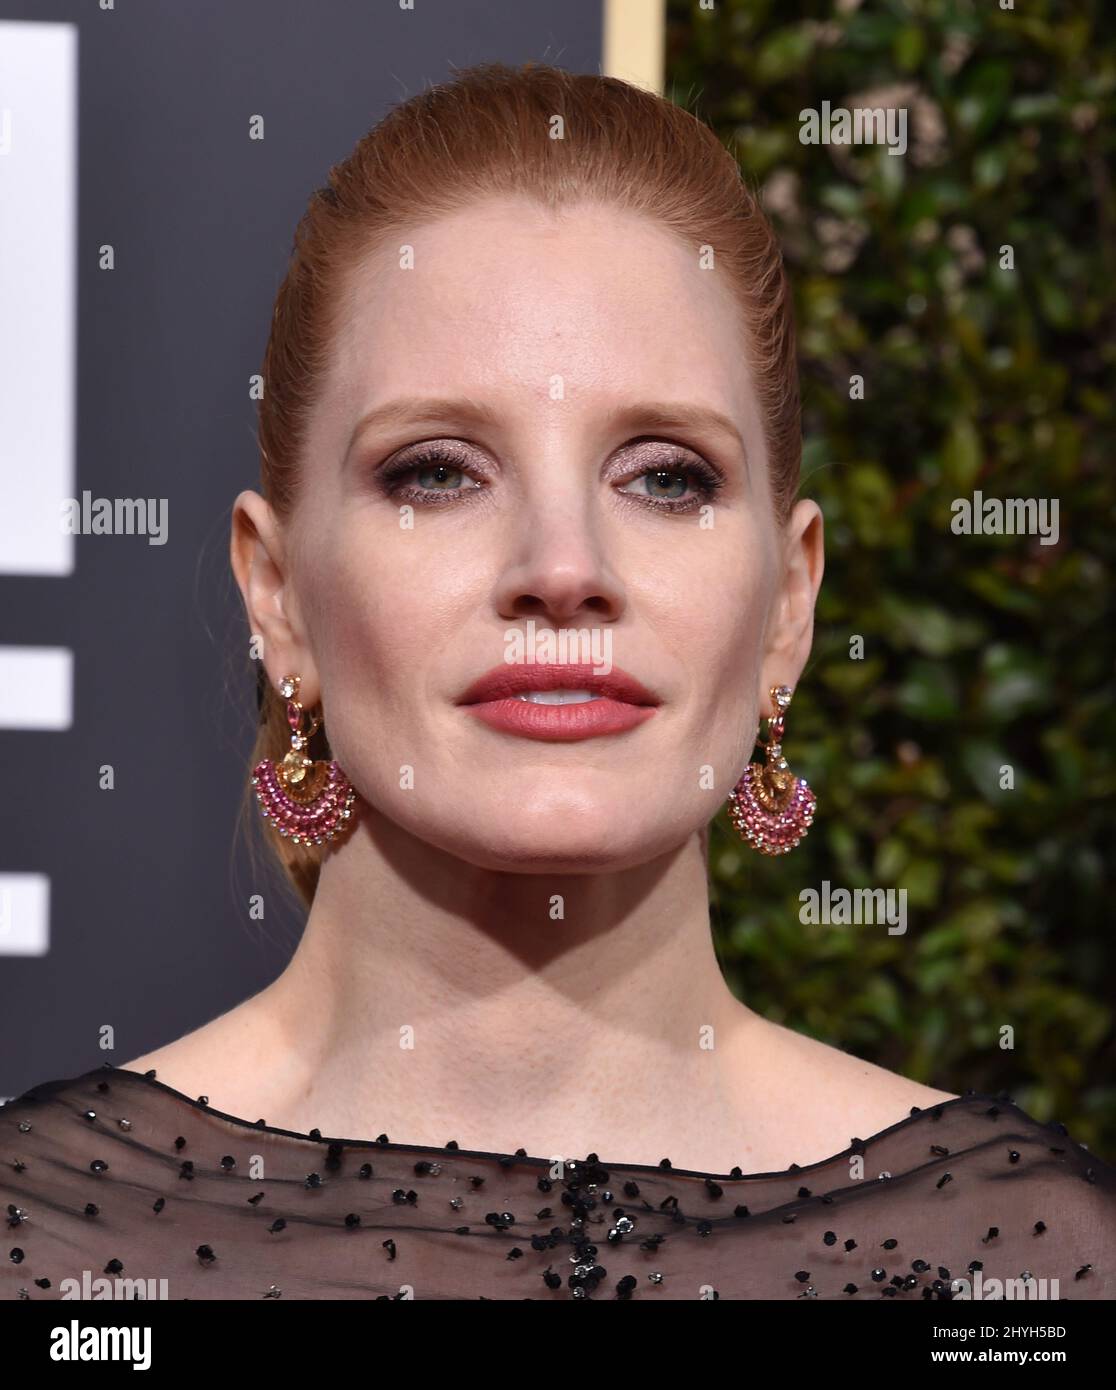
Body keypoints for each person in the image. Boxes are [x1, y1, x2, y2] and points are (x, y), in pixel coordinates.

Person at [4, 62, 1112, 1301]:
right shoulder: (41, 1250)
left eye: (666, 476)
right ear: (278, 594)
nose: (564, 568)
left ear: (789, 605)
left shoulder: (1029, 1264)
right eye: (437, 471)